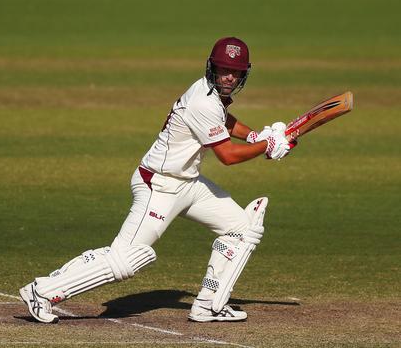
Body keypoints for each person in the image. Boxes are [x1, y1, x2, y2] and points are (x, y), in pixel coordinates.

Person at [20, 37, 294, 323]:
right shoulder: (202, 100)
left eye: (235, 72)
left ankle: (208, 304)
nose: (229, 76)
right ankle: (42, 291)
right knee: (128, 258)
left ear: (244, 74)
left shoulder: (211, 96)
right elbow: (227, 156)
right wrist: (267, 146)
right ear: (212, 67)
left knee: (241, 229)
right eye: (224, 69)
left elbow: (223, 119)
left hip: (187, 183)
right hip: (159, 186)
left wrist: (255, 137)